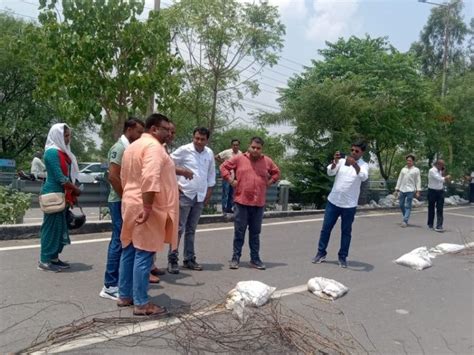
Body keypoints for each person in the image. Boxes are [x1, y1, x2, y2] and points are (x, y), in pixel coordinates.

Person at [118, 113, 178, 316]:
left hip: (131, 200)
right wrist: (147, 207)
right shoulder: (153, 147)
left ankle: (125, 295)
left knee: (129, 250)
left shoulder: (133, 146)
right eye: (166, 129)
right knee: (144, 252)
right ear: (153, 129)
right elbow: (150, 177)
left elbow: (125, 177)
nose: (169, 133)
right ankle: (142, 303)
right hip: (146, 205)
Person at [99, 118, 145, 300]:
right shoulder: (119, 148)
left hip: (124, 200)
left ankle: (119, 281)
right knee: (119, 241)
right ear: (130, 129)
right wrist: (127, 196)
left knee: (124, 240)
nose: (141, 136)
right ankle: (110, 284)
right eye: (139, 132)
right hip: (119, 201)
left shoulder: (129, 148)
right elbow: (113, 176)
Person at [220, 137, 280, 270]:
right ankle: (235, 258)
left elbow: (276, 173)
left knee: (255, 233)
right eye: (253, 147)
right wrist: (230, 181)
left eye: (258, 148)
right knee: (239, 231)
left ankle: (255, 259)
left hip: (258, 203)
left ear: (261, 149)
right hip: (241, 202)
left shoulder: (267, 161)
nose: (255, 150)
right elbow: (223, 167)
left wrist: (269, 182)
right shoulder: (239, 158)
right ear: (249, 146)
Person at [312, 141, 369, 268]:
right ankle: (321, 253)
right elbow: (330, 172)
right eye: (352, 150)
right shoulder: (342, 161)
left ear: (362, 153)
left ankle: (342, 257)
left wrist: (355, 165)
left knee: (346, 231)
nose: (353, 153)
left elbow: (364, 176)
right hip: (334, 201)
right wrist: (335, 162)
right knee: (326, 229)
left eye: (357, 151)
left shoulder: (364, 165)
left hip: (349, 204)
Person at [167, 127, 216, 274]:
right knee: (179, 229)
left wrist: (209, 191)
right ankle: (172, 259)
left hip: (200, 196)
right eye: (196, 138)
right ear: (193, 137)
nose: (199, 141)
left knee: (191, 230)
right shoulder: (184, 150)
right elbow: (168, 163)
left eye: (202, 139)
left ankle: (189, 259)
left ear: (207, 140)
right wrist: (175, 184)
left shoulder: (209, 153)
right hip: (185, 194)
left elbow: (211, 172)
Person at [38, 123, 81, 272]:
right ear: (57, 136)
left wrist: (72, 192)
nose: (68, 139)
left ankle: (54, 258)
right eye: (65, 136)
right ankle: (44, 260)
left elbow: (68, 175)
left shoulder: (64, 152)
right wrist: (75, 189)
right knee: (50, 228)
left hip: (63, 194)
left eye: (69, 135)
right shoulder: (51, 153)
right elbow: (60, 177)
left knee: (60, 227)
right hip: (53, 194)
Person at [394, 154, 421, 227]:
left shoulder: (416, 170)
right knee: (401, 204)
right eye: (407, 160)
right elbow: (400, 179)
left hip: (411, 190)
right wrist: (396, 189)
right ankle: (406, 215)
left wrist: (418, 191)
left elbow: (418, 181)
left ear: (413, 161)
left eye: (410, 161)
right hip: (402, 189)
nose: (408, 162)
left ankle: (405, 220)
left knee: (408, 206)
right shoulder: (403, 169)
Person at [215, 139, 242, 214]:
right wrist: (224, 163)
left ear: (239, 146)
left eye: (237, 145)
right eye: (234, 145)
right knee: (225, 192)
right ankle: (224, 208)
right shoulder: (227, 152)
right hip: (227, 174)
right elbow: (216, 156)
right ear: (231, 145)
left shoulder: (240, 154)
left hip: (235, 175)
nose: (235, 146)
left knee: (232, 192)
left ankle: (229, 208)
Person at [427, 159, 451, 232]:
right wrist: (446, 177)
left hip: (440, 191)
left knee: (440, 208)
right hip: (432, 191)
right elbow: (439, 179)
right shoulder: (432, 171)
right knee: (431, 208)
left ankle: (439, 225)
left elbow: (444, 180)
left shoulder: (440, 171)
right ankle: (430, 223)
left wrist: (444, 174)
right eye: (442, 165)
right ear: (438, 164)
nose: (443, 167)